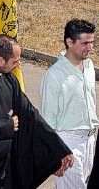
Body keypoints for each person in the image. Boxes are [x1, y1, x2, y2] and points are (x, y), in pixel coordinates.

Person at [0, 34, 74, 188]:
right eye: (15, 61)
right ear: (0, 61)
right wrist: (5, 126)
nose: (18, 64)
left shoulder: (9, 79)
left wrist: (57, 150)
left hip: (7, 170)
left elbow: (30, 115)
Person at [41, 19, 99, 189]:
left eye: (92, 42)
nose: (91, 48)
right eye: (85, 43)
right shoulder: (53, 75)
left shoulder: (89, 66)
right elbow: (48, 120)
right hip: (68, 142)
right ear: (69, 42)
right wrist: (56, 153)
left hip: (90, 140)